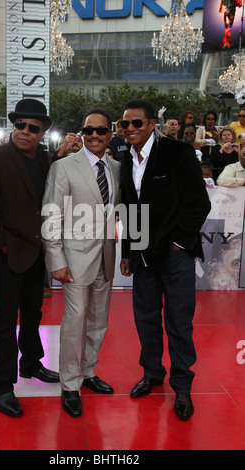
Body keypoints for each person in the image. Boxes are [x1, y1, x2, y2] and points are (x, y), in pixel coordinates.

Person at [119, 99, 211, 420]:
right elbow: (129, 209)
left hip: (175, 255)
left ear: (151, 125)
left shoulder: (177, 152)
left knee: (178, 321)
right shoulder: (124, 160)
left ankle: (182, 385)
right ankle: (152, 372)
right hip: (143, 252)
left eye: (137, 124)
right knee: (145, 318)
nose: (130, 129)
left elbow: (199, 204)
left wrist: (178, 242)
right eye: (124, 124)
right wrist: (129, 251)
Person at [0, 99, 59, 418]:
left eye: (33, 128)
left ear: (42, 133)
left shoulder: (47, 160)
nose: (25, 131)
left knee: (33, 313)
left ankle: (32, 364)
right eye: (20, 125)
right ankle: (2, 386)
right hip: (4, 253)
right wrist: (3, 245)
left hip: (36, 253)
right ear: (13, 126)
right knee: (5, 321)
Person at [42, 108, 121, 418]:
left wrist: (125, 250)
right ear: (82, 132)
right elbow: (52, 216)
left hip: (107, 255)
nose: (95, 136)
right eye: (89, 131)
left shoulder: (116, 166)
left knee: (99, 321)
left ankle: (89, 372)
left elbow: (119, 212)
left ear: (109, 134)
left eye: (101, 131)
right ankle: (70, 384)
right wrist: (56, 260)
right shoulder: (63, 167)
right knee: (75, 322)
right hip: (74, 259)